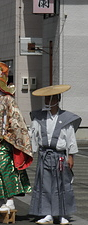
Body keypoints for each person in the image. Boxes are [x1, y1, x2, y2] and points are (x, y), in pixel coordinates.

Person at [0, 62, 33, 212]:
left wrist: (7, 136)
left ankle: (10, 201)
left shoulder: (8, 100)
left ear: (0, 83)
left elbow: (17, 121)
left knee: (5, 170)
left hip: (1, 142)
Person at [29, 85, 81, 225]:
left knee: (62, 185)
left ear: (56, 99)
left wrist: (71, 156)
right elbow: (33, 135)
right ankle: (47, 213)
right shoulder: (38, 117)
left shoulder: (66, 118)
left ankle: (62, 214)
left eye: (48, 98)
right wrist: (30, 152)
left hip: (59, 156)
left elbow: (71, 139)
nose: (46, 101)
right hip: (45, 154)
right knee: (45, 185)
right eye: (45, 98)